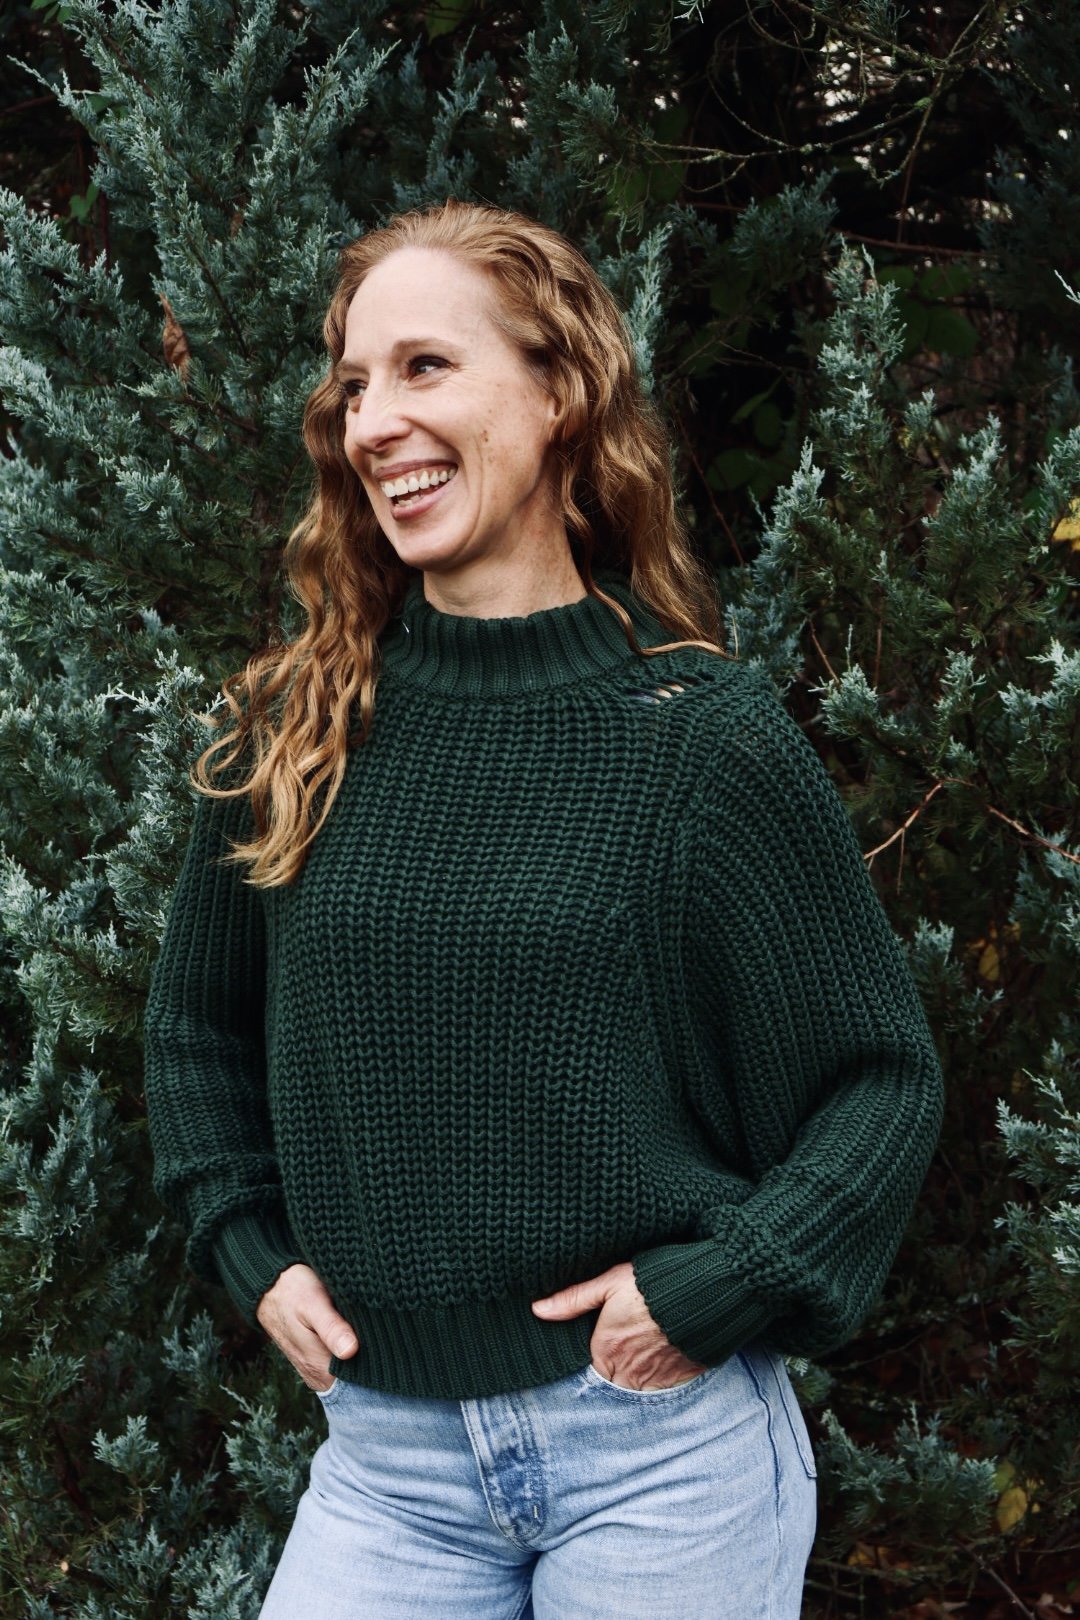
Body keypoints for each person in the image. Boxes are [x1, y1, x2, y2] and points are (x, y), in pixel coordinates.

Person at [143, 200, 945, 1620]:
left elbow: (876, 1081)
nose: (373, 419)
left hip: (657, 1460)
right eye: (352, 384)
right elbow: (197, 1040)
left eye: (424, 368)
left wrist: (726, 1284)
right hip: (385, 1466)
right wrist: (246, 1250)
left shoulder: (699, 737)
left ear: (562, 391)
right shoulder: (297, 726)